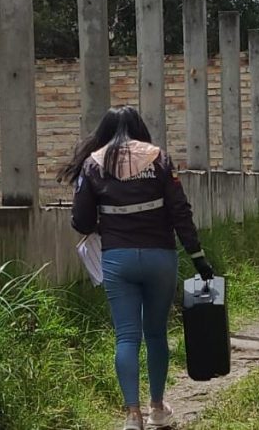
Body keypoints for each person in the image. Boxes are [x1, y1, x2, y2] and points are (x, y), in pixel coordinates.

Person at [61, 105, 213, 430]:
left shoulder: (93, 163)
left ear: (103, 132)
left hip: (118, 260)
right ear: (140, 128)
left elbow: (81, 220)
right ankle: (157, 407)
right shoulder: (159, 159)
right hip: (161, 257)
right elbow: (180, 212)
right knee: (156, 333)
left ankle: (132, 416)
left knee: (126, 337)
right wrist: (198, 257)